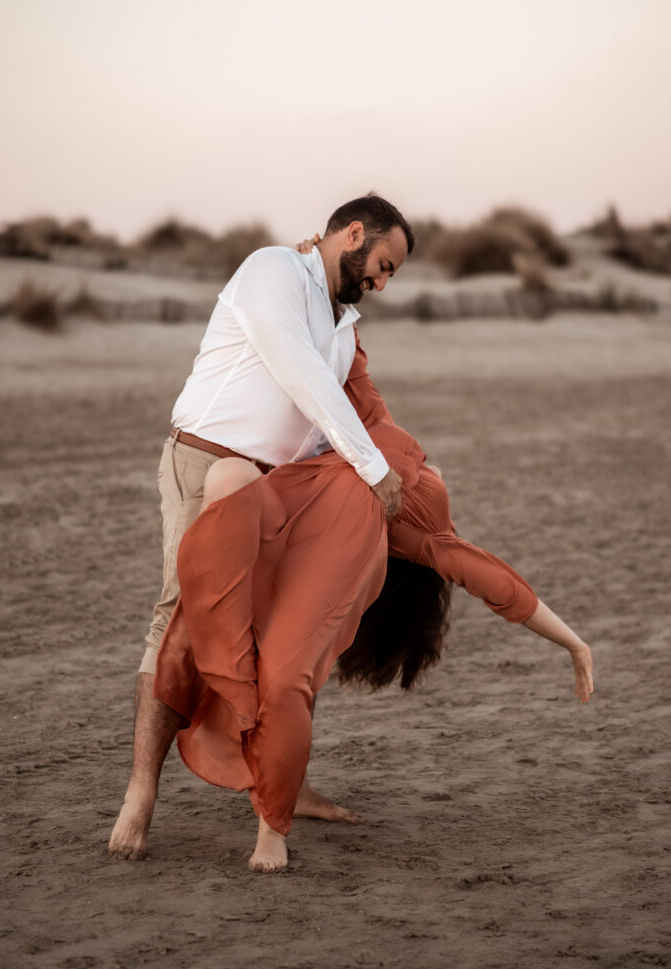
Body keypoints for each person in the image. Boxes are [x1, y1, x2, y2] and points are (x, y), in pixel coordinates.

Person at [152, 332, 594, 873]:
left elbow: (497, 585)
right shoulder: (375, 419)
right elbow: (348, 366)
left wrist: (572, 642)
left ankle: (273, 829)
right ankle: (274, 772)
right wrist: (335, 307)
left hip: (327, 532)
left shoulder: (421, 529)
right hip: (290, 504)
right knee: (231, 485)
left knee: (286, 673)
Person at [109, 193, 415, 860]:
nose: (382, 282)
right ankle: (140, 794)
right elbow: (297, 373)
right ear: (352, 233)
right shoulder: (272, 270)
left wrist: (409, 471)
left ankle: (283, 783)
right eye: (382, 264)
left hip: (279, 488)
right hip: (209, 462)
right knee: (180, 622)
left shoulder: (341, 322)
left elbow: (353, 407)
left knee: (289, 636)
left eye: (391, 274)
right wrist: (369, 466)